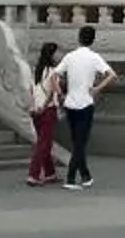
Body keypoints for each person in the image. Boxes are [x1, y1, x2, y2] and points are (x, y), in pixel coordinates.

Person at [56, 24, 115, 190]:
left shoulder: (70, 56)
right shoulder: (94, 57)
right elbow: (111, 75)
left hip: (70, 103)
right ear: (92, 40)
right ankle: (70, 178)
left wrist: (60, 92)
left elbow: (55, 75)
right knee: (80, 143)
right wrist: (97, 88)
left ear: (79, 38)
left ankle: (86, 175)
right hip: (85, 103)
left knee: (77, 141)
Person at [24, 41, 64, 187]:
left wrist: (33, 106)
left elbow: (31, 90)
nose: (60, 55)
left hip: (35, 110)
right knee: (43, 143)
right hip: (47, 110)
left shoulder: (36, 70)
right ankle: (33, 174)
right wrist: (44, 106)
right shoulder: (53, 72)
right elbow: (53, 92)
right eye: (57, 52)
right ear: (52, 54)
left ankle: (50, 173)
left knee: (44, 141)